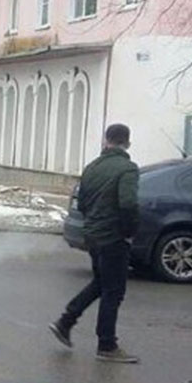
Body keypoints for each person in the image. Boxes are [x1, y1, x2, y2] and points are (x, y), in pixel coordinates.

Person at [50, 123, 140, 363]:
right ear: (127, 143)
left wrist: (92, 224)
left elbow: (83, 202)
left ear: (105, 140)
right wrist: (129, 231)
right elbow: (129, 204)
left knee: (101, 282)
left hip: (92, 235)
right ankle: (107, 345)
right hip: (114, 238)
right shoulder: (128, 169)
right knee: (113, 291)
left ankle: (66, 321)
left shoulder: (91, 167)